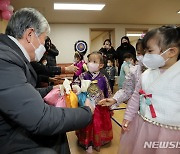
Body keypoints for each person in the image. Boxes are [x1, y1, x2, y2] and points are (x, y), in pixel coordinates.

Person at [0, 8, 93, 154]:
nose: (44, 45)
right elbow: (41, 119)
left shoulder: (10, 55)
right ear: (30, 35)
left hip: (11, 127)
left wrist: (52, 89)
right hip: (6, 137)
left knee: (58, 135)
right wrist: (87, 112)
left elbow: (21, 92)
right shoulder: (5, 61)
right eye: (43, 39)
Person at [103, 25, 180, 154]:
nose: (145, 56)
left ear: (171, 52)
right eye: (142, 53)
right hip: (146, 125)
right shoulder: (145, 74)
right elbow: (133, 95)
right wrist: (127, 116)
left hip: (172, 129)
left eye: (149, 51)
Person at [74, 51, 113, 153]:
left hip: (100, 106)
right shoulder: (83, 75)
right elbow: (75, 83)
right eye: (89, 61)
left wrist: (110, 105)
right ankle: (87, 142)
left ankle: (98, 142)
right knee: (87, 124)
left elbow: (108, 91)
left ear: (101, 65)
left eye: (94, 61)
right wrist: (76, 88)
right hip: (86, 106)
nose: (91, 63)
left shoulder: (103, 77)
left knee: (98, 125)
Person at [99, 39, 145, 108]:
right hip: (139, 110)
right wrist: (114, 99)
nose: (141, 56)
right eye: (138, 53)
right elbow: (126, 91)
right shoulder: (135, 71)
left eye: (146, 52)